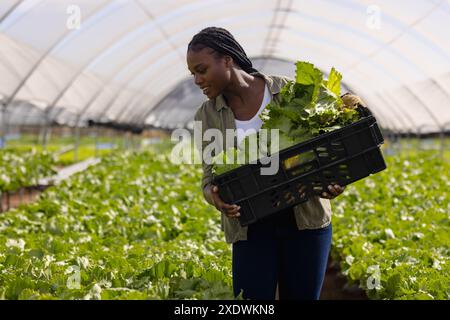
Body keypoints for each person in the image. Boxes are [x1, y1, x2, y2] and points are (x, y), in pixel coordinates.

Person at [187, 26, 360, 300]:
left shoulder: (288, 92)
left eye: (201, 69)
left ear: (227, 60)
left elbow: (326, 147)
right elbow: (209, 179)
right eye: (193, 73)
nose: (196, 79)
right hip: (250, 227)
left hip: (305, 219)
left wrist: (332, 180)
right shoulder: (207, 115)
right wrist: (213, 197)